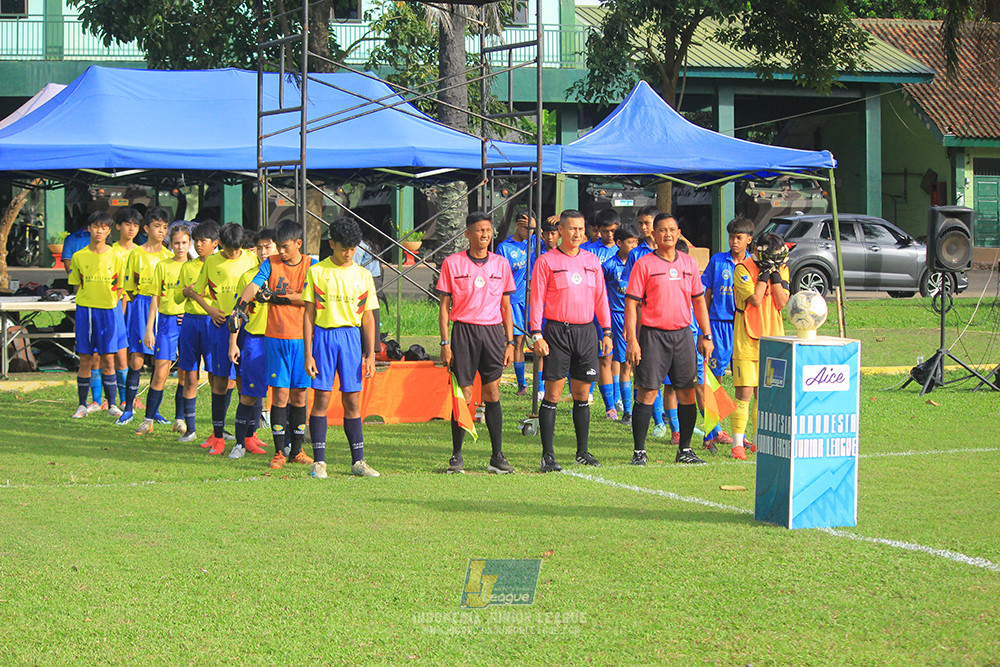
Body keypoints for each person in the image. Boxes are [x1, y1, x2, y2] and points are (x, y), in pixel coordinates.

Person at [624, 213, 713, 466]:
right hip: (653, 336)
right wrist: (633, 340)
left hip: (683, 335)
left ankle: (685, 450)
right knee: (648, 392)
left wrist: (706, 335)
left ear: (678, 232)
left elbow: (698, 301)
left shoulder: (688, 263)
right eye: (662, 230)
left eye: (672, 230)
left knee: (686, 391)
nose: (667, 234)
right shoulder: (644, 265)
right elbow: (631, 304)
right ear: (654, 234)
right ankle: (639, 452)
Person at [529, 209, 612, 472]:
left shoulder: (591, 260)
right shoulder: (546, 261)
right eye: (572, 229)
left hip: (586, 333)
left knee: (582, 394)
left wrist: (607, 331)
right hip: (556, 333)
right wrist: (537, 334)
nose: (577, 234)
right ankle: (548, 455)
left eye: (581, 228)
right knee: (553, 394)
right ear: (561, 231)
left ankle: (582, 452)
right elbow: (537, 299)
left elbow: (601, 298)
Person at [300, 217, 381, 478]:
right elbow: (308, 315)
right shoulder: (317, 272)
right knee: (322, 399)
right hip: (324, 338)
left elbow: (368, 316)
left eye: (353, 248)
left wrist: (370, 353)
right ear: (331, 243)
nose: (348, 253)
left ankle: (358, 462)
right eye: (344, 247)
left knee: (352, 401)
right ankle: (319, 462)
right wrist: (308, 353)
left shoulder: (363, 275)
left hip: (350, 340)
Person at [437, 212, 516, 474]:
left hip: (492, 333)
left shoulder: (501, 264)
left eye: (488, 230)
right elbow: (445, 306)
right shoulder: (452, 263)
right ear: (467, 234)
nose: (484, 235)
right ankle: (456, 456)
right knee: (465, 394)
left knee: (492, 393)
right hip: (463, 333)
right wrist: (445, 342)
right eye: (479, 230)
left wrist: (510, 342)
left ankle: (497, 456)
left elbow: (506, 305)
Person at [235, 219, 317, 471]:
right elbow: (254, 285)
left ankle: (298, 449)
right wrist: (239, 306)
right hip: (275, 338)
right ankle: (279, 451)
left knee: (299, 394)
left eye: (285, 247)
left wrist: (279, 298)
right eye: (278, 247)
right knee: (279, 394)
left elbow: (308, 298)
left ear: (298, 244)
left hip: (303, 339)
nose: (280, 251)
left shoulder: (312, 266)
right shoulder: (270, 264)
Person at [186, 222, 256, 455]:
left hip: (247, 325)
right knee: (219, 380)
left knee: (246, 380)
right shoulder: (212, 262)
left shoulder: (251, 260)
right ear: (220, 245)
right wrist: (210, 310)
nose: (233, 253)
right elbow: (197, 291)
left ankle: (249, 436)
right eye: (228, 250)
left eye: (236, 250)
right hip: (220, 325)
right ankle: (217, 437)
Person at [731, 233, 789, 460]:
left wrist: (774, 274)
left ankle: (758, 441)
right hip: (746, 339)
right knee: (744, 392)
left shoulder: (782, 268)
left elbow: (782, 302)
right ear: (757, 249)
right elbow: (754, 299)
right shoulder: (742, 269)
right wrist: (764, 274)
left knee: (764, 394)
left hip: (773, 340)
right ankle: (737, 443)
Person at [700, 216, 754, 452]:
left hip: (744, 327)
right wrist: (706, 330)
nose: (734, 242)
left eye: (739, 238)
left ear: (749, 240)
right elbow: (706, 295)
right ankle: (713, 431)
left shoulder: (754, 264)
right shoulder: (717, 260)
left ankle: (742, 434)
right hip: (718, 325)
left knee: (746, 382)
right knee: (715, 379)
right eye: (731, 237)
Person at [117, 207, 172, 426]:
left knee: (161, 361)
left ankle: (154, 410)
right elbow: (129, 288)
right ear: (147, 228)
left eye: (165, 227)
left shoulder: (169, 256)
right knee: (137, 358)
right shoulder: (136, 254)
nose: (161, 231)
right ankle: (128, 408)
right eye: (157, 226)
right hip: (141, 306)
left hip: (163, 308)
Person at [68, 211, 125, 420]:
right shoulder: (79, 256)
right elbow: (76, 285)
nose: (99, 231)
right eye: (95, 226)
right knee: (85, 358)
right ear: (89, 228)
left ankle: (112, 405)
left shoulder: (116, 256)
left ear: (109, 230)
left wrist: (110, 304)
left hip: (108, 313)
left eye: (103, 227)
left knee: (109, 358)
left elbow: (120, 288)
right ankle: (82, 405)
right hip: (85, 312)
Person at [134, 224, 191, 435]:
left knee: (185, 374)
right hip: (166, 324)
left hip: (188, 324)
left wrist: (190, 313)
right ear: (171, 243)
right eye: (176, 243)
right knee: (160, 372)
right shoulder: (163, 266)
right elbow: (155, 299)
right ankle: (148, 419)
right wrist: (149, 329)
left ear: (190, 243)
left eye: (184, 242)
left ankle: (180, 419)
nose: (180, 247)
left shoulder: (195, 267)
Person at [226, 229, 277, 459]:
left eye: (268, 247)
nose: (263, 252)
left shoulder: (285, 275)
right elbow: (239, 311)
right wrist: (233, 343)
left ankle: (288, 446)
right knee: (249, 395)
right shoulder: (248, 277)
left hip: (281, 340)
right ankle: (239, 443)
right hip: (255, 340)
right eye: (260, 247)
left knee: (286, 394)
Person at [175, 220, 220, 442]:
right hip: (191, 323)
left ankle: (217, 430)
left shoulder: (218, 265)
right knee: (189, 377)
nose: (198, 245)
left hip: (212, 324)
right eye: (196, 241)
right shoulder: (187, 267)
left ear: (215, 243)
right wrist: (185, 291)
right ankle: (190, 429)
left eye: (203, 241)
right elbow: (175, 296)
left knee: (215, 378)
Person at [601, 223, 640, 425]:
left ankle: (634, 407)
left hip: (634, 316)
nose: (634, 246)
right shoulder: (608, 266)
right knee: (612, 360)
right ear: (619, 243)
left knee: (633, 363)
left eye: (636, 242)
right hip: (614, 317)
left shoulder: (640, 264)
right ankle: (619, 407)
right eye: (630, 242)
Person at [496, 209, 536, 395]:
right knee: (516, 340)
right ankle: (521, 383)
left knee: (533, 339)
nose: (531, 232)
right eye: (528, 228)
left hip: (532, 300)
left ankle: (536, 385)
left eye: (534, 229)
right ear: (519, 225)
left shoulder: (534, 242)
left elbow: (556, 232)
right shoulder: (505, 247)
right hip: (513, 301)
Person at [109, 207, 142, 410]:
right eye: (127, 224)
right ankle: (118, 397)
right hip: (117, 304)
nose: (131, 229)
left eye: (136, 225)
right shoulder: (111, 251)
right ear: (118, 226)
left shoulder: (141, 251)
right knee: (118, 353)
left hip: (136, 305)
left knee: (135, 353)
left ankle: (131, 397)